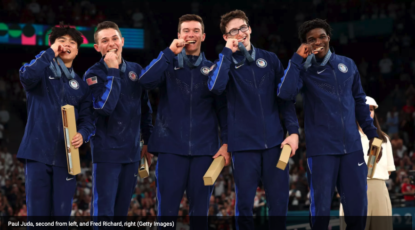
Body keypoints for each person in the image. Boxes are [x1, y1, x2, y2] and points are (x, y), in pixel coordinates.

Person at [277, 18, 380, 230]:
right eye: (311, 39)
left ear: (329, 38)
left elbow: (359, 101)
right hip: (322, 150)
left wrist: (372, 133)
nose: (318, 42)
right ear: (305, 44)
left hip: (352, 148)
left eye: (321, 36)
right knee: (321, 211)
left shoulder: (347, 64)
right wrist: (297, 59)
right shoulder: (304, 70)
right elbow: (284, 94)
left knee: (357, 209)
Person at [208, 9, 299, 230]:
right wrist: (226, 55)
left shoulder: (270, 59)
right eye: (233, 31)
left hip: (275, 144)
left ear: (249, 28)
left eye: (243, 28)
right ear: (225, 37)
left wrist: (294, 131)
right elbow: (216, 88)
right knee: (245, 208)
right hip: (243, 146)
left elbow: (285, 100)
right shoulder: (224, 64)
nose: (240, 33)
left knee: (279, 206)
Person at [137, 14, 228, 230]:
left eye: (195, 30)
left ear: (203, 36)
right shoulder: (167, 65)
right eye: (186, 30)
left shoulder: (214, 69)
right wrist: (169, 53)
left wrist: (226, 142)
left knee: (200, 217)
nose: (190, 34)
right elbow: (145, 82)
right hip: (170, 150)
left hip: (205, 151)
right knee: (166, 215)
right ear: (179, 35)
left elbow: (224, 110)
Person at [17, 23, 94, 221]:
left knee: (61, 217)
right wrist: (49, 53)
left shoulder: (81, 86)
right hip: (37, 154)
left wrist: (83, 134)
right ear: (52, 46)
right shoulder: (40, 74)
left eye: (71, 42)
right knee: (37, 217)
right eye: (61, 41)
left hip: (67, 159)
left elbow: (88, 120)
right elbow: (26, 75)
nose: (66, 45)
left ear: (77, 50)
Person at [83, 21, 153, 222]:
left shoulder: (136, 69)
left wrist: (147, 142)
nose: (111, 43)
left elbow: (145, 110)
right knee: (104, 214)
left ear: (122, 41)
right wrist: (113, 70)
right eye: (105, 40)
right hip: (107, 155)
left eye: (115, 38)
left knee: (121, 214)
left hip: (131, 155)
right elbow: (105, 108)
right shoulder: (93, 74)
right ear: (97, 47)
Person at [340, 96, 396, 230]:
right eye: (365, 109)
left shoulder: (383, 139)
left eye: (371, 109)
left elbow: (388, 170)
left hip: (378, 187)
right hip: (353, 187)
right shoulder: (345, 137)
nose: (369, 112)